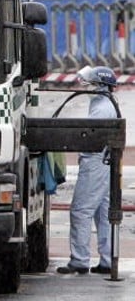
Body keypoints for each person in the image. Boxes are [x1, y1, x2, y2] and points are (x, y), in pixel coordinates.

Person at [57, 66, 118, 275]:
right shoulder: (104, 103)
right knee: (103, 213)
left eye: (90, 83)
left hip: (95, 162)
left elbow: (89, 136)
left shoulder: (101, 107)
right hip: (104, 162)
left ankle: (80, 260)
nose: (86, 86)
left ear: (100, 85)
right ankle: (108, 260)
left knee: (81, 211)